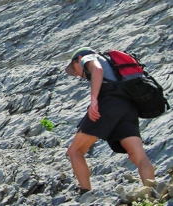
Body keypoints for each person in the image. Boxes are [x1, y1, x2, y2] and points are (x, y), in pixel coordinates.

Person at [64, 47, 156, 194]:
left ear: (79, 59)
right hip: (128, 108)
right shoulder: (112, 65)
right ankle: (152, 191)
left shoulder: (89, 58)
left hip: (108, 104)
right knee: (137, 154)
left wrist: (94, 100)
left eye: (74, 67)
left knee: (75, 151)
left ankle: (86, 193)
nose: (75, 73)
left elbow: (97, 70)